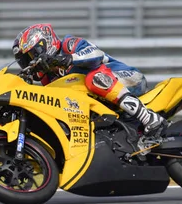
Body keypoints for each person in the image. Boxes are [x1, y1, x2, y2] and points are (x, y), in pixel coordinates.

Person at [12, 23, 168, 137]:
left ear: (43, 43)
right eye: (26, 61)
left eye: (31, 56)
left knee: (94, 79)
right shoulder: (49, 78)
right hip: (105, 100)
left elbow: (96, 54)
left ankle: (149, 117)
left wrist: (67, 59)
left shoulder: (68, 44)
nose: (31, 63)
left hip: (127, 77)